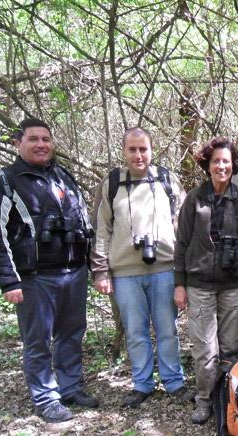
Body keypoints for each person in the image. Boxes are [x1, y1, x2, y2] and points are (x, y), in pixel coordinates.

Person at [0, 117, 97, 423]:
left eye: (46, 139)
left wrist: (93, 264)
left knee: (72, 333)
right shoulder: (5, 182)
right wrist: (8, 281)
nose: (41, 144)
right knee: (38, 339)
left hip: (74, 271)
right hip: (34, 276)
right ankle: (46, 398)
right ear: (18, 143)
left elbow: (83, 220)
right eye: (33, 139)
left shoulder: (62, 176)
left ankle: (70, 387)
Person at [92, 127, 190, 408]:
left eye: (143, 149)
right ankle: (142, 384)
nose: (138, 155)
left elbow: (184, 226)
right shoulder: (112, 183)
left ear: (151, 150)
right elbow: (101, 229)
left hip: (165, 269)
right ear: (124, 151)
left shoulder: (167, 180)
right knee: (135, 332)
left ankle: (174, 382)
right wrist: (101, 271)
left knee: (167, 329)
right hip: (125, 273)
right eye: (132, 149)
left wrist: (185, 271)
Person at [174, 137, 238, 424]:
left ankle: (230, 398)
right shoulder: (194, 199)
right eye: (216, 161)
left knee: (231, 346)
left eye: (226, 161)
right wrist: (179, 283)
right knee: (204, 349)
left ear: (234, 165)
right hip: (199, 285)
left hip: (234, 285)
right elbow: (182, 242)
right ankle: (205, 399)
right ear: (207, 165)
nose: (222, 166)